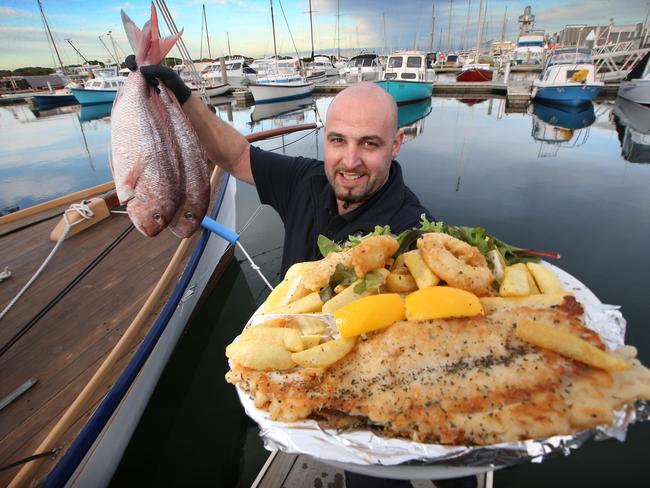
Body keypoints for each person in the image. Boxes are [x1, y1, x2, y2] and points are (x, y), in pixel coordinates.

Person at [132, 58, 476, 488]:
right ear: (324, 139)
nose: (349, 161)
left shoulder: (415, 233)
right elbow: (235, 153)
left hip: (368, 401)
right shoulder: (306, 179)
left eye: (369, 144)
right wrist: (182, 95)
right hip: (295, 372)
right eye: (337, 140)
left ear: (396, 144)